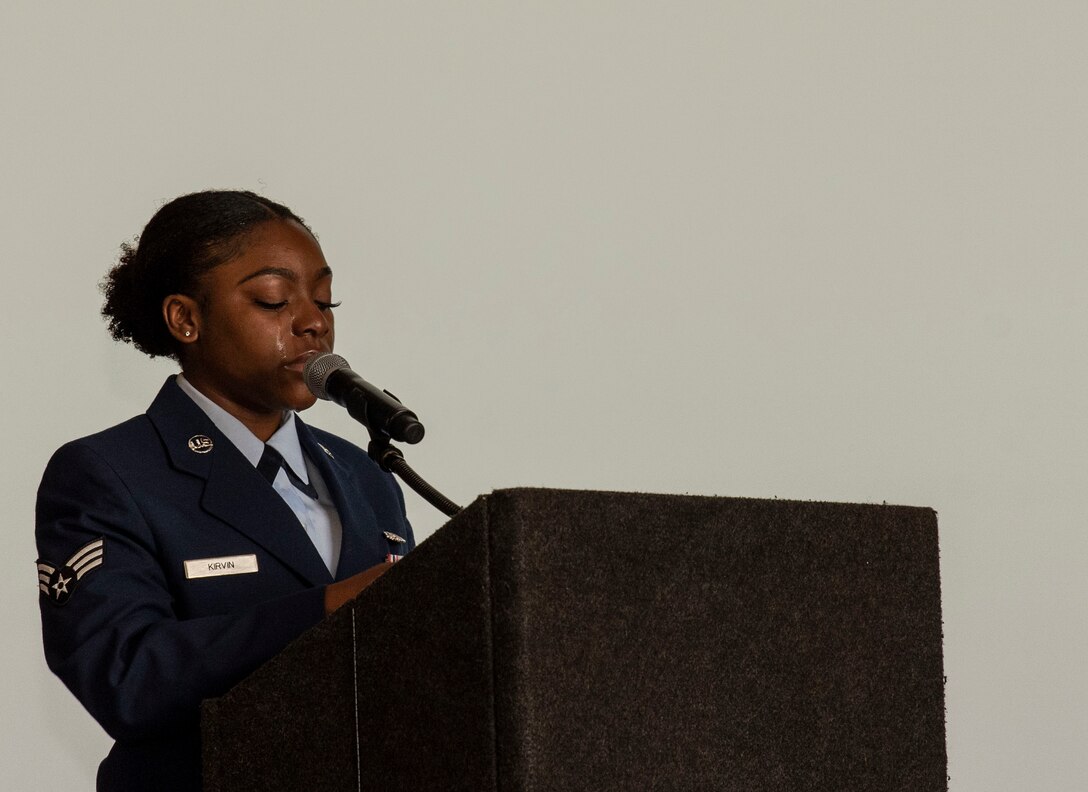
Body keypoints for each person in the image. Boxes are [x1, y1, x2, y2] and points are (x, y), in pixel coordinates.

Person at [34, 190, 414, 791]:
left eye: (324, 300)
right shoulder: (109, 473)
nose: (314, 323)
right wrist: (325, 609)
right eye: (273, 299)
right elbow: (126, 677)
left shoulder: (366, 476)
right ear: (185, 319)